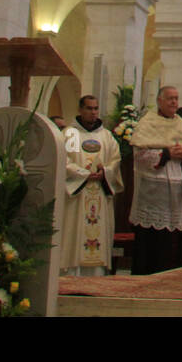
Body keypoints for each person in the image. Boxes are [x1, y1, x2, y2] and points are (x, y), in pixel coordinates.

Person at [129, 86, 182, 273]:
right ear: (159, 101)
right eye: (170, 98)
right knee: (154, 242)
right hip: (154, 194)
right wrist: (167, 153)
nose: (174, 102)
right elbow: (140, 156)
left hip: (178, 194)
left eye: (176, 98)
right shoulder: (147, 123)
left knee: (176, 240)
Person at [61, 95, 124, 277]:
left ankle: (97, 274)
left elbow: (116, 160)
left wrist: (105, 172)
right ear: (80, 110)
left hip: (100, 193)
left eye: (96, 108)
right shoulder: (69, 134)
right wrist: (84, 174)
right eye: (89, 108)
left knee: (97, 235)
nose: (93, 112)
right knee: (75, 233)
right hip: (77, 196)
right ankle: (72, 273)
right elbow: (63, 162)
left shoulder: (106, 136)